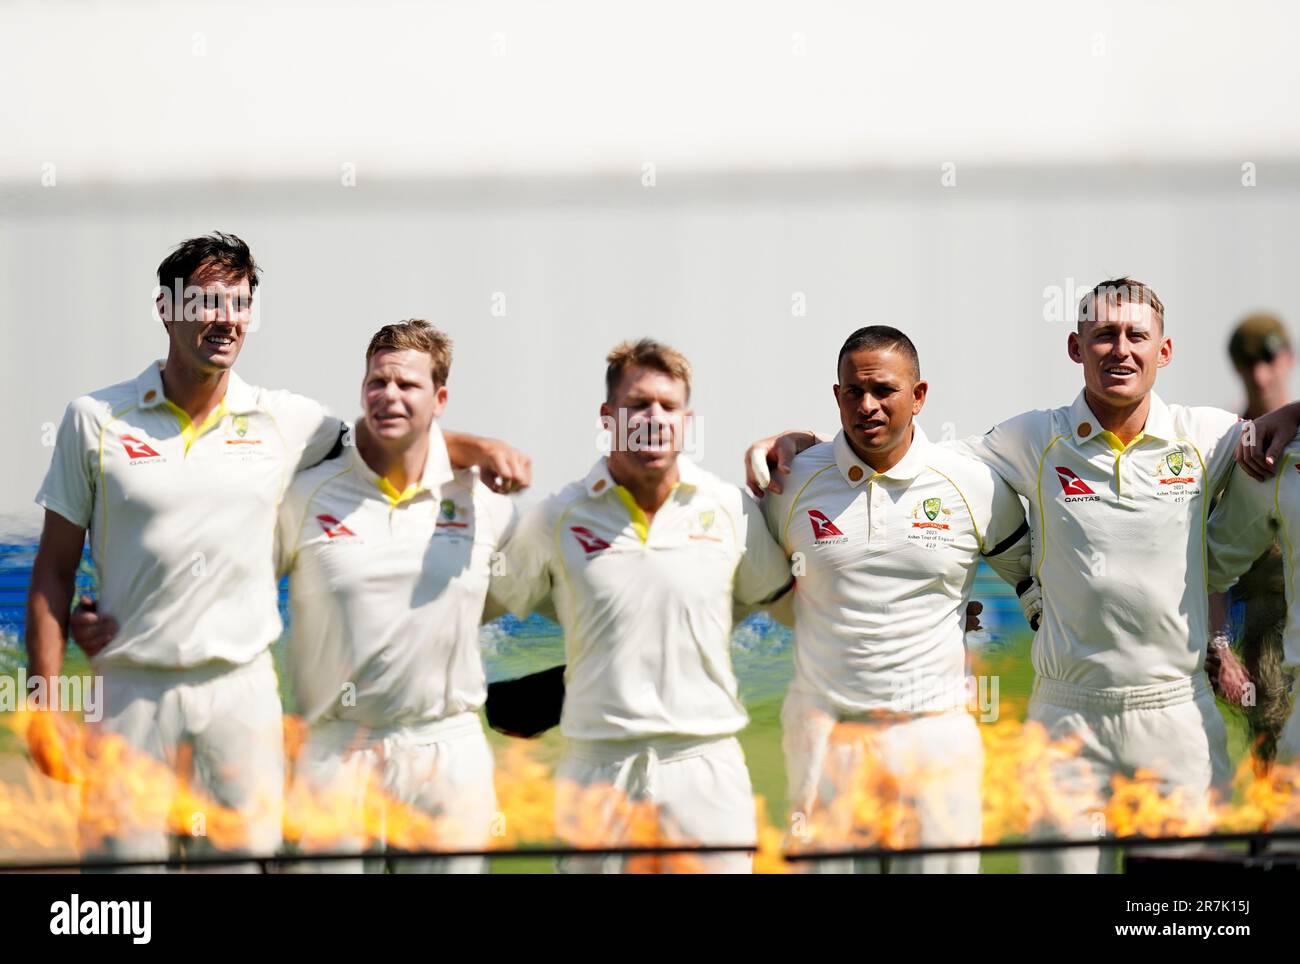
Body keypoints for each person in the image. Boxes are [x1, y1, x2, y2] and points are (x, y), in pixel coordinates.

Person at [745, 278, 1300, 873]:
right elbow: (911, 453)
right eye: (1103, 335)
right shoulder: (1030, 437)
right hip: (1066, 719)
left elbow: (1263, 459)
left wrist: (1291, 412)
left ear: (1164, 351)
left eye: (1136, 335)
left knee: (1178, 913)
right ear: (1075, 346)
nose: (1120, 349)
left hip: (1175, 713)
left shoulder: (1208, 437)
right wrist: (802, 445)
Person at [27, 233, 528, 869]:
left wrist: (476, 449)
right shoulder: (93, 419)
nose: (226, 319)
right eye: (208, 300)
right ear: (165, 307)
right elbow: (54, 569)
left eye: (239, 303)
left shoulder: (289, 422)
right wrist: (45, 707)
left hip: (242, 693)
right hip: (129, 691)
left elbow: (387, 436)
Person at [489, 338, 793, 873]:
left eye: (668, 407)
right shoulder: (557, 516)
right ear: (608, 417)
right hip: (597, 771)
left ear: (686, 420)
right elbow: (478, 604)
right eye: (637, 405)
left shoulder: (729, 509)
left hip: (704, 766)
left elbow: (789, 606)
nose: (653, 418)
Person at [762, 325, 1031, 873]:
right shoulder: (788, 483)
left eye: (883, 390)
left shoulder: (970, 482)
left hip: (934, 737)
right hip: (827, 738)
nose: (868, 406)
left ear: (919, 395)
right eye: (853, 392)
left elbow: (1030, 575)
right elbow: (755, 584)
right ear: (836, 396)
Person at [278, 320, 514, 873]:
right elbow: (236, 583)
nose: (389, 395)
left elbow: (529, 589)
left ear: (440, 398)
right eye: (377, 382)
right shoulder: (306, 494)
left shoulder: (486, 502)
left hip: (446, 748)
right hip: (334, 751)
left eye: (407, 385)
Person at [1212, 314, 1295, 763]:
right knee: (1272, 738)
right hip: (1261, 615)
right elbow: (1212, 559)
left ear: (1288, 358)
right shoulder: (1230, 440)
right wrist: (1220, 646)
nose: (1259, 373)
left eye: (1267, 358)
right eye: (1247, 362)